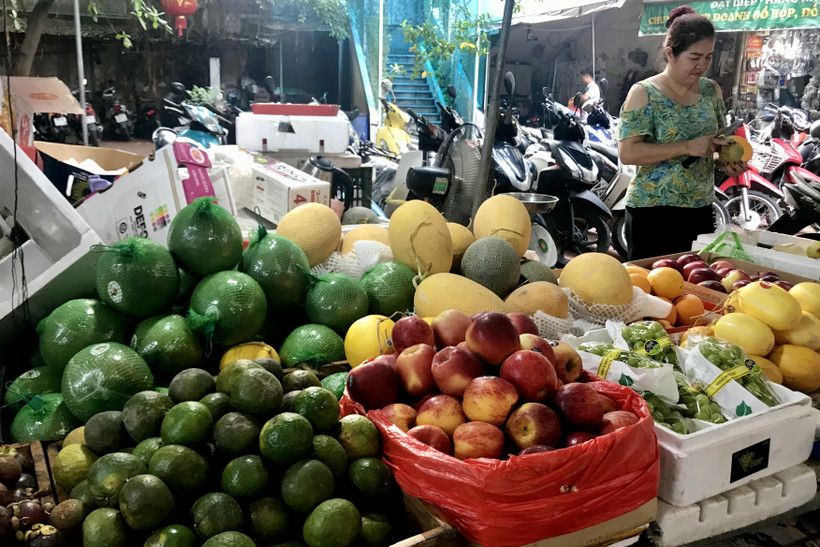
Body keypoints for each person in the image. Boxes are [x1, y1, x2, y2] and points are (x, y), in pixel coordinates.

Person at [618, 6, 747, 260]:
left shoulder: (711, 90)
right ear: (671, 53)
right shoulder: (644, 93)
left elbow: (717, 144)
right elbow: (628, 153)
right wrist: (686, 146)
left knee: (697, 281)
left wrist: (727, 162)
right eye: (694, 57)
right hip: (652, 212)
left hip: (700, 208)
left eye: (708, 57)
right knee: (655, 282)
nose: (702, 65)